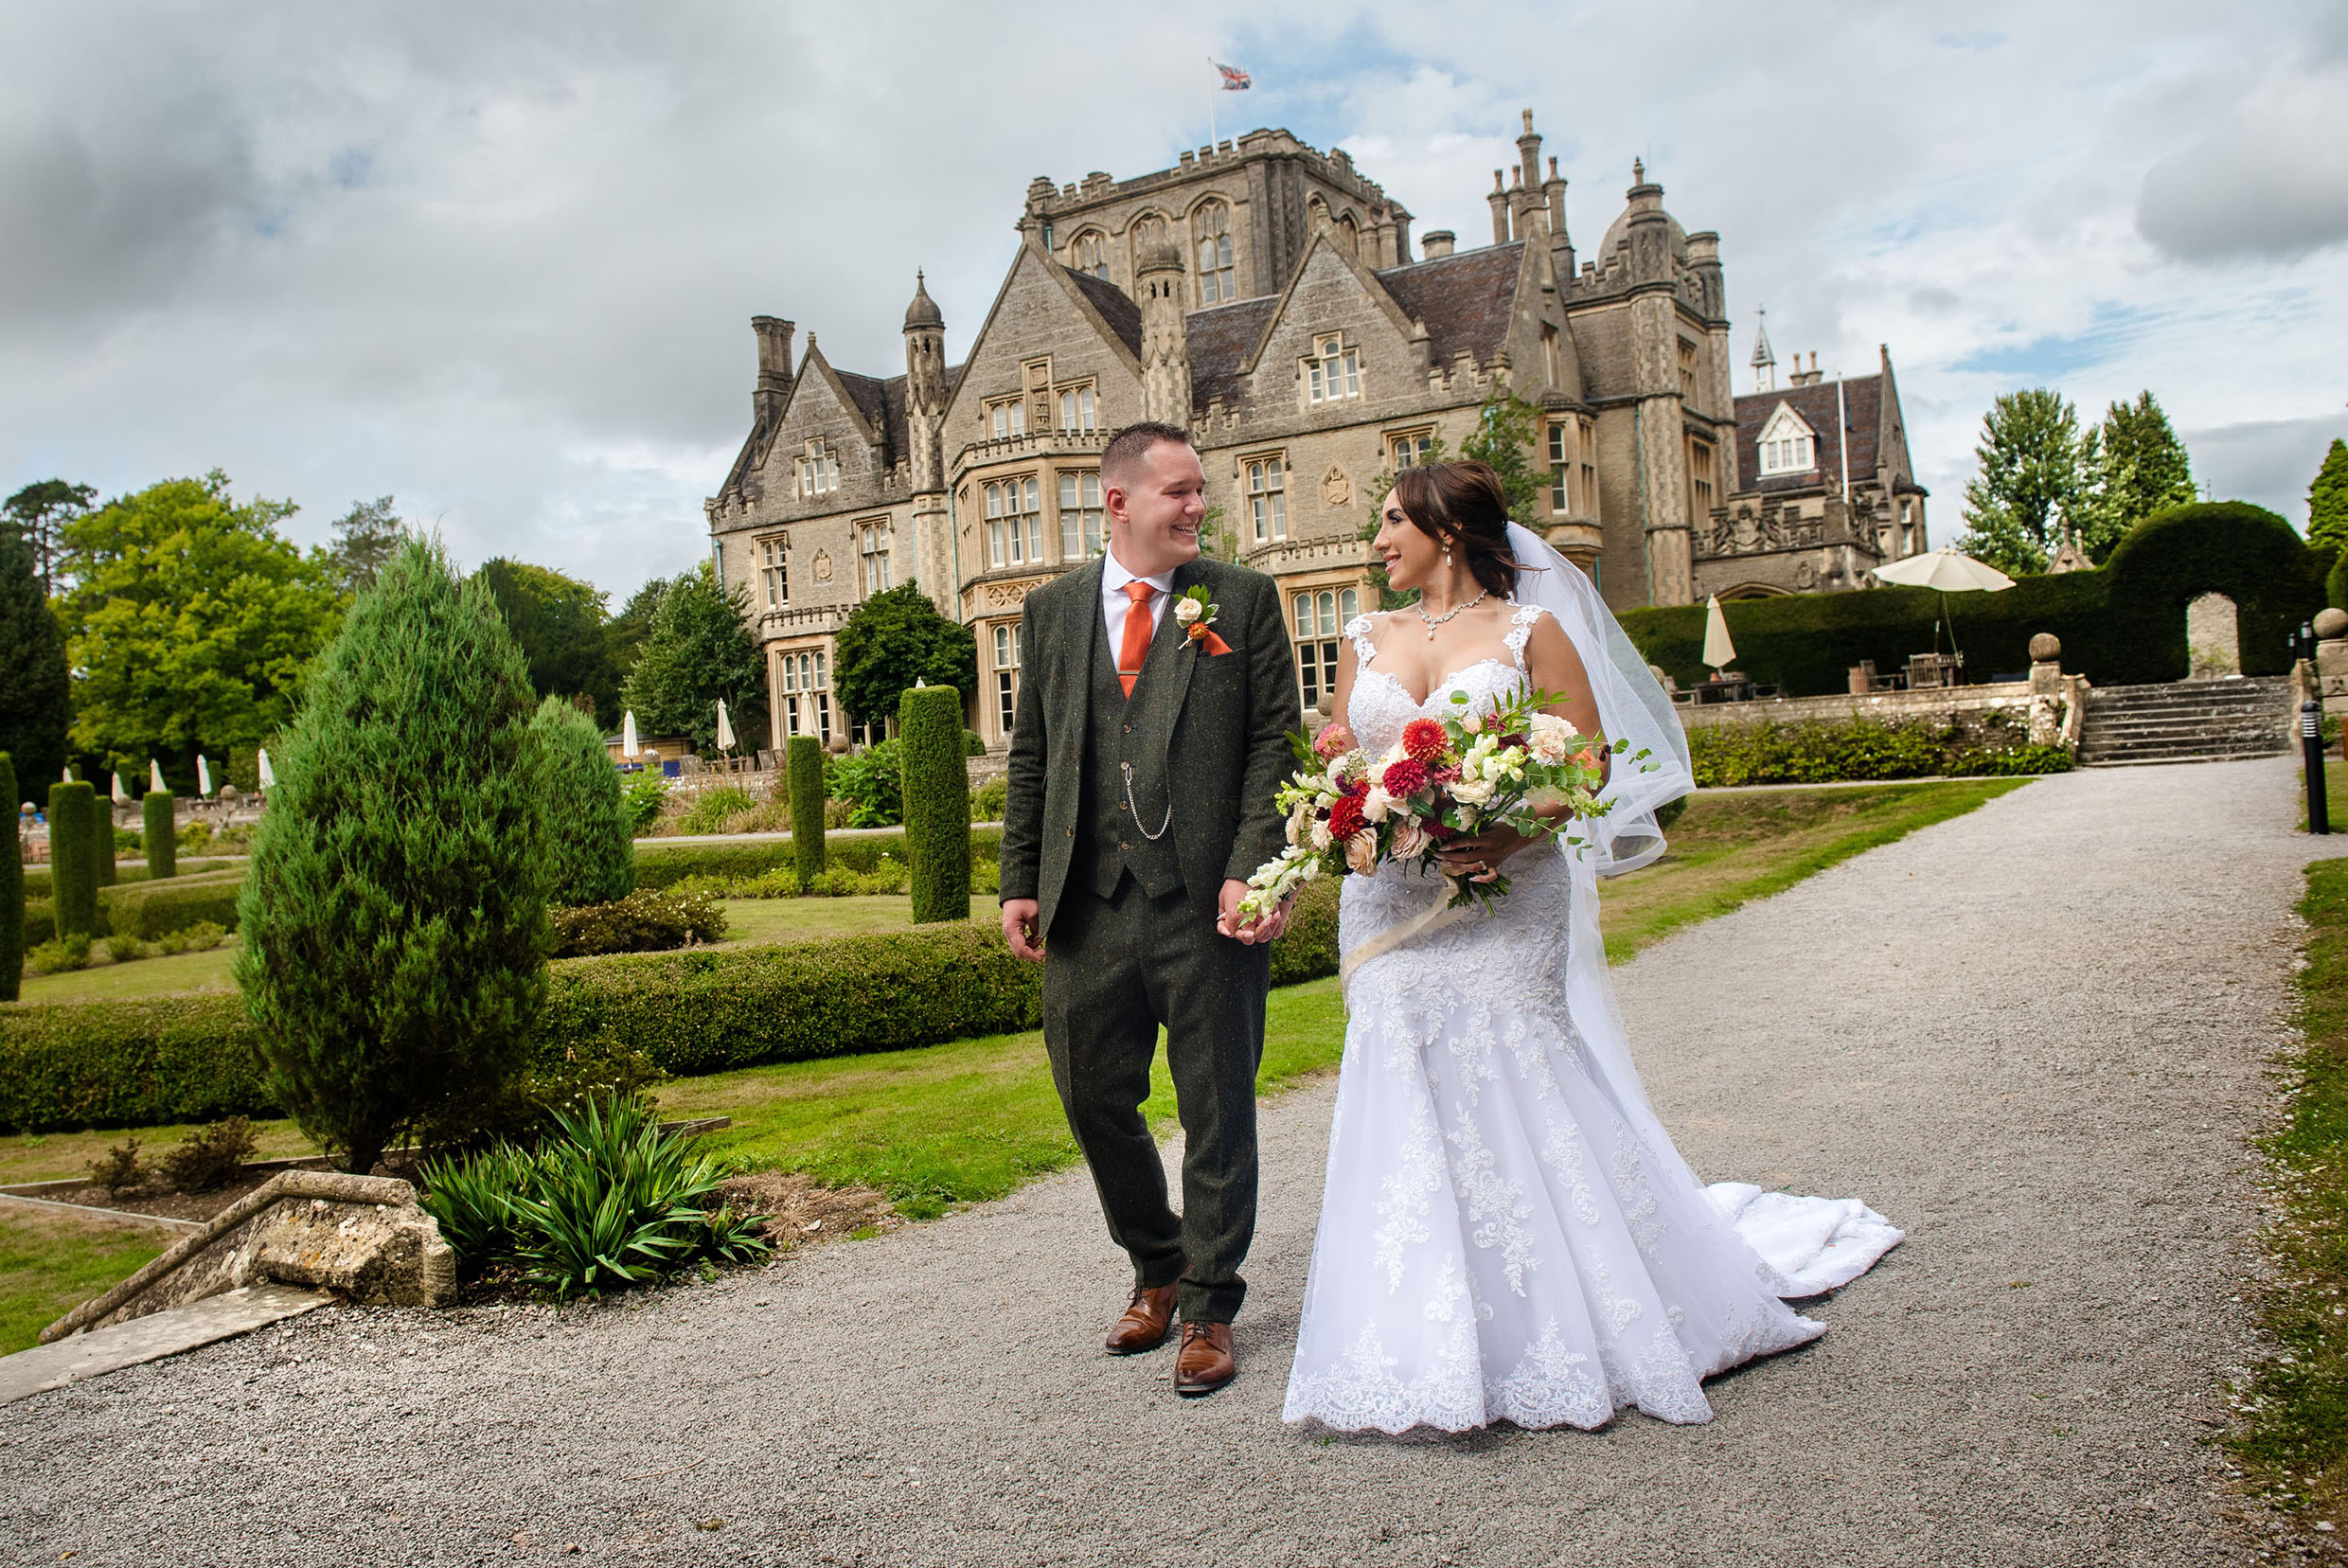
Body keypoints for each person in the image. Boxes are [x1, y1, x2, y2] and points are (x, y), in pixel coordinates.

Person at [1282, 460, 1902, 1433]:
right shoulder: (1366, 638)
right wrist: (1348, 808)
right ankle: (1423, 1332)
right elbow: (1340, 753)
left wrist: (1509, 830)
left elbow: (1589, 759)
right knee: (1397, 1049)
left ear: (1446, 530)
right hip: (1390, 903)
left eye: (1392, 522)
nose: (1375, 542)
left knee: (1514, 1057)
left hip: (1508, 887)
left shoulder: (1531, 631)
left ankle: (1571, 1311)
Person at [998, 420, 1302, 1398]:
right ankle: (1158, 1261)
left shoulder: (1241, 601)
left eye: (1202, 490)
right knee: (1091, 1097)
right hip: (1086, 901)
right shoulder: (1047, 613)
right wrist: (1017, 879)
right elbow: (1033, 758)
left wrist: (1252, 867)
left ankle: (1210, 1304)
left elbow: (1272, 746)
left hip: (1204, 901)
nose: (1198, 506)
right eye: (1178, 491)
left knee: (1216, 1103)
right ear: (1116, 501)